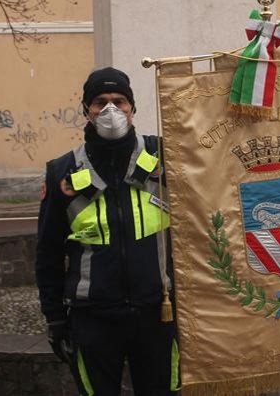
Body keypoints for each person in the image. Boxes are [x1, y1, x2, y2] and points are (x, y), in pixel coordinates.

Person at [35, 67, 177, 395]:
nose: (110, 110)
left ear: (133, 108)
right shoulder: (63, 170)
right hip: (93, 318)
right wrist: (55, 319)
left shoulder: (167, 156)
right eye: (100, 101)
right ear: (86, 110)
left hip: (158, 313)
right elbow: (48, 253)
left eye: (119, 101)